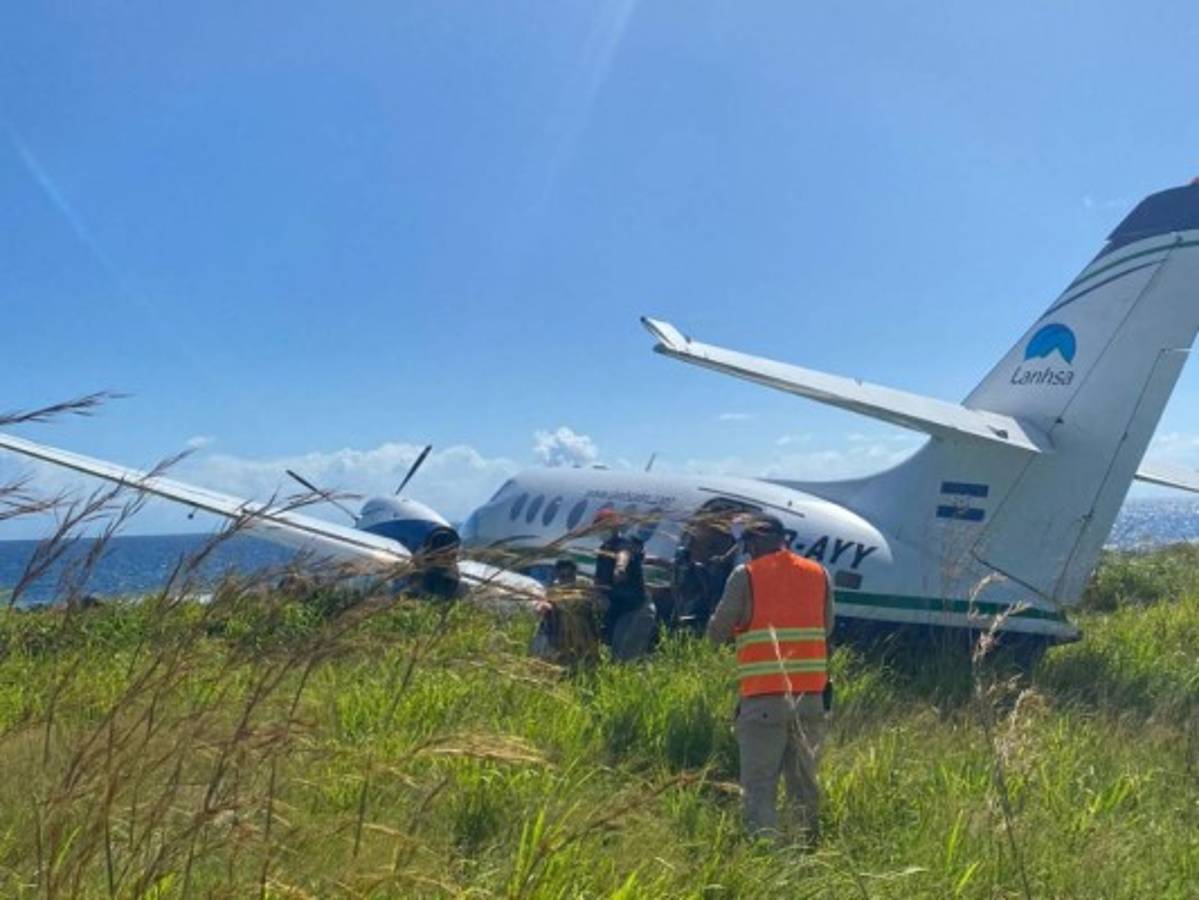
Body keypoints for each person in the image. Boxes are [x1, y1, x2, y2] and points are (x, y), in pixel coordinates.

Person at [707, 514, 835, 842]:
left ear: (754, 541)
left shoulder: (746, 575)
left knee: (760, 785)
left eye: (747, 544)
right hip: (812, 699)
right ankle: (804, 848)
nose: (747, 551)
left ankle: (764, 852)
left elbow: (717, 633)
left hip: (765, 699)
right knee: (804, 783)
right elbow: (827, 628)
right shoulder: (819, 573)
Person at [592, 509, 656, 661]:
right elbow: (599, 580)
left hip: (636, 608)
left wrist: (620, 568)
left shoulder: (623, 543)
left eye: (604, 527)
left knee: (625, 654)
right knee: (610, 648)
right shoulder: (603, 550)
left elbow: (623, 554)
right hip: (619, 609)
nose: (600, 531)